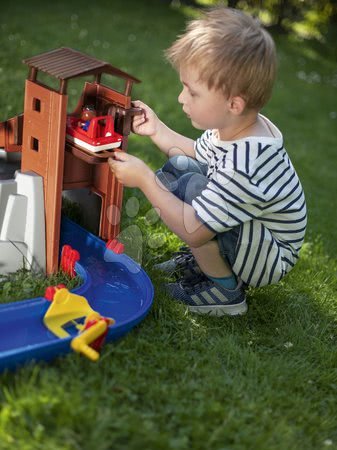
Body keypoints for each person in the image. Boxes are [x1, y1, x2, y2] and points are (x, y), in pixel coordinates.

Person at [108, 7, 307, 316]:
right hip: (252, 233)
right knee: (180, 170)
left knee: (188, 190)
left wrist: (145, 179)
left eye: (193, 92)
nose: (181, 99)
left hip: (267, 255)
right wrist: (156, 129)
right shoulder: (238, 126)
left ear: (233, 103)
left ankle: (225, 291)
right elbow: (197, 155)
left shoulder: (246, 164)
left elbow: (194, 230)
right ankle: (205, 263)